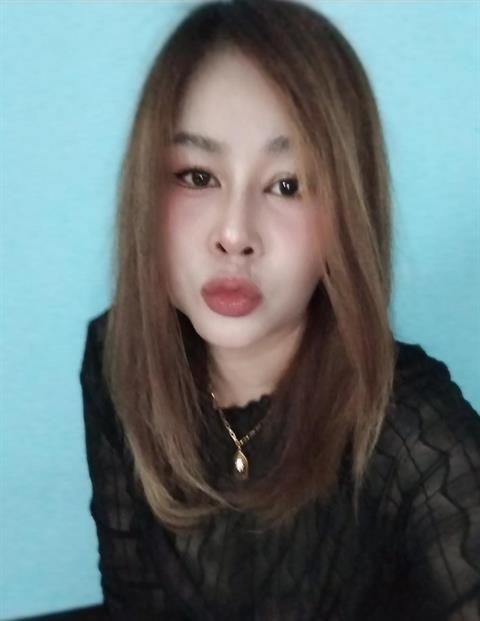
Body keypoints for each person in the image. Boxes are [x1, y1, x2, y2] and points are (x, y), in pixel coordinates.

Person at [79, 1, 480, 619]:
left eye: (288, 185)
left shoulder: (413, 433)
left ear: (347, 217)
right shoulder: (120, 357)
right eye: (197, 175)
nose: (234, 234)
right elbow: (133, 599)